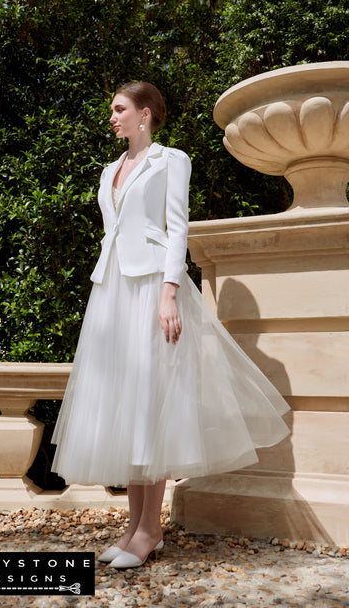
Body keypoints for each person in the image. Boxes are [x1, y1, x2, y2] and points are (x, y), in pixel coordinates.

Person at [51, 81, 290, 569]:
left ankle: (150, 529)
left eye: (120, 110)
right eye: (113, 110)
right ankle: (134, 525)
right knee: (127, 405)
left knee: (152, 404)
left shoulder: (171, 160)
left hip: (151, 290)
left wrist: (168, 294)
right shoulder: (109, 169)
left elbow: (177, 227)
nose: (112, 117)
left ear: (145, 114)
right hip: (113, 291)